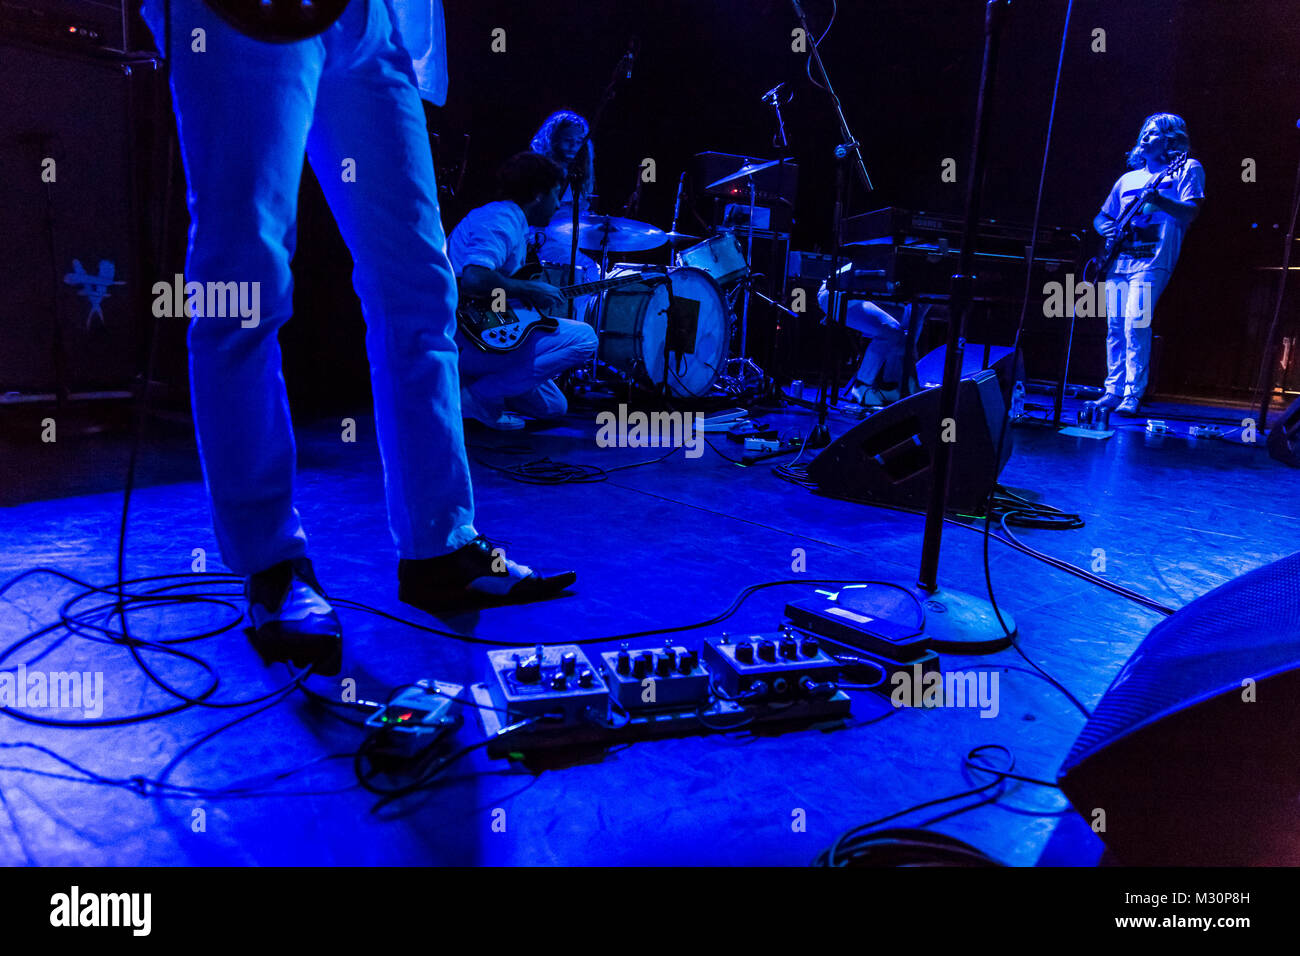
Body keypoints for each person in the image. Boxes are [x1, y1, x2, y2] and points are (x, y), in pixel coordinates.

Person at [138, 0, 576, 672]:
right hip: (240, 13)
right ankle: (272, 563)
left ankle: (442, 546)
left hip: (372, 17)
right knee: (242, 286)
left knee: (421, 287)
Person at [448, 153, 599, 429]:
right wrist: (529, 287)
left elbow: (497, 291)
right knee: (586, 338)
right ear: (539, 194)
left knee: (554, 407)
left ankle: (470, 388)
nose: (557, 206)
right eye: (556, 195)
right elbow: (474, 279)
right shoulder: (501, 217)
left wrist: (527, 300)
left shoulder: (513, 222)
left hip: (480, 333)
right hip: (466, 337)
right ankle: (477, 396)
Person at [1093, 113, 1205, 415]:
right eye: (1143, 131)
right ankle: (1113, 389)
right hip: (1120, 260)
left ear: (1170, 140)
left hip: (1153, 259)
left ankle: (1133, 392)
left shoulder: (1187, 169)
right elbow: (1102, 216)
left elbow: (1190, 213)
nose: (1144, 137)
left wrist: (1159, 200)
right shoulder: (1127, 179)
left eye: (1153, 133)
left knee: (1135, 323)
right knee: (1115, 327)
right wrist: (1105, 228)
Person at [818, 268, 907, 407]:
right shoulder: (882, 252)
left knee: (902, 329)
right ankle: (862, 386)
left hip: (856, 295)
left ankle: (888, 387)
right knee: (891, 329)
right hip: (836, 294)